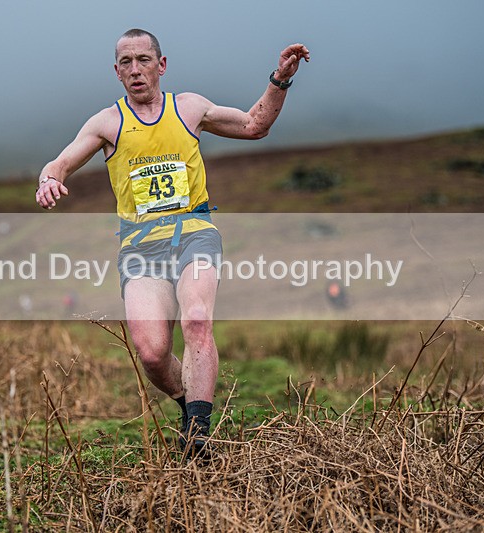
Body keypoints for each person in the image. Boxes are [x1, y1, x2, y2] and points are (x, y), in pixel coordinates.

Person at [35, 29, 309, 459]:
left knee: (197, 320)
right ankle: (189, 405)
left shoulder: (190, 108)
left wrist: (280, 79)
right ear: (116, 71)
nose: (135, 69)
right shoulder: (107, 123)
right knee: (151, 352)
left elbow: (255, 126)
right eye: (125, 62)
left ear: (161, 65)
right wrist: (49, 179)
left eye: (144, 59)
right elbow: (62, 161)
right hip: (141, 248)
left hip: (194, 233)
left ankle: (198, 437)